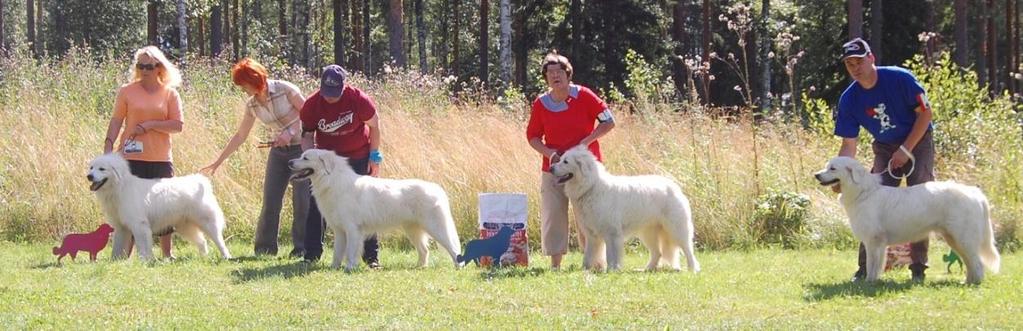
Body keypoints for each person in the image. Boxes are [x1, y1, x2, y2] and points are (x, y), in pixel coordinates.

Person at [833, 38, 936, 282]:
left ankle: (918, 268)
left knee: (920, 197)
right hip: (885, 146)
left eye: (859, 61)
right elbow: (848, 145)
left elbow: (926, 114)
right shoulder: (849, 99)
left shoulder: (900, 79)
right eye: (849, 64)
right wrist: (839, 173)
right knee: (869, 197)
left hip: (917, 140)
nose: (855, 68)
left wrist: (906, 149)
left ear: (871, 58)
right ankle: (865, 270)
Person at [201, 58, 311, 258]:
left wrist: (290, 131)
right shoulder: (252, 105)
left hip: (301, 149)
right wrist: (218, 161)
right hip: (279, 152)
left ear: (254, 79)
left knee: (302, 200)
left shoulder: (285, 90)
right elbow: (241, 135)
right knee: (270, 200)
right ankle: (264, 249)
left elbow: (309, 114)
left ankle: (302, 249)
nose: (243, 90)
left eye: (243, 85)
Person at [525, 51, 616, 270]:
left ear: (568, 74)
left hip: (584, 169)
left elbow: (608, 121)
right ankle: (555, 265)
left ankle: (594, 263)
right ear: (546, 77)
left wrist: (588, 141)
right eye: (550, 73)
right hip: (554, 168)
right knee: (553, 214)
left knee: (588, 215)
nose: (555, 76)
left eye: (559, 72)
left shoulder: (584, 96)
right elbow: (533, 136)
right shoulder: (541, 103)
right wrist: (549, 153)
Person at [102, 46, 183, 259]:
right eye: (140, 66)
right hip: (130, 158)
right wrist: (108, 146)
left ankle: (167, 253)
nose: (144, 70)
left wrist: (151, 125)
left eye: (149, 66)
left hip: (160, 157)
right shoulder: (126, 91)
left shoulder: (170, 93)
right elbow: (116, 121)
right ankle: (125, 255)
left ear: (159, 68)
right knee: (129, 207)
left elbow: (177, 125)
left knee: (165, 206)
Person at [299, 64, 382, 268]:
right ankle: (311, 255)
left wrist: (374, 155)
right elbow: (307, 136)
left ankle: (371, 257)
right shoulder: (311, 105)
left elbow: (374, 125)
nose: (330, 97)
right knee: (317, 206)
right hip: (328, 163)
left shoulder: (358, 99)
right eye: (326, 92)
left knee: (365, 204)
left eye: (334, 93)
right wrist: (310, 160)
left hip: (358, 157)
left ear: (343, 87)